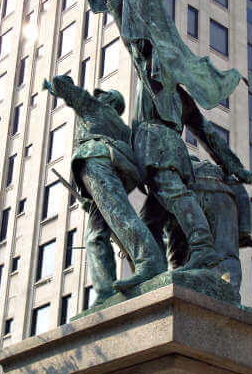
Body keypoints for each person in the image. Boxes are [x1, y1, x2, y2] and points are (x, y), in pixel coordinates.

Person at [88, 0, 252, 291]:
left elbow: (132, 38)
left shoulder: (153, 77)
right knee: (151, 218)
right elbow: (208, 135)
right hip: (167, 149)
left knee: (173, 194)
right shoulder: (180, 96)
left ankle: (203, 249)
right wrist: (236, 167)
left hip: (157, 147)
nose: (149, 58)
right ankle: (149, 269)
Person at [43, 75, 166, 306]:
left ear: (108, 100)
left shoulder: (95, 107)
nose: (99, 95)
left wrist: (55, 85)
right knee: (96, 234)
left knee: (118, 216)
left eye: (104, 94)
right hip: (116, 171)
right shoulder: (122, 128)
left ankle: (150, 261)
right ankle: (104, 292)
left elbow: (66, 88)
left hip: (95, 160)